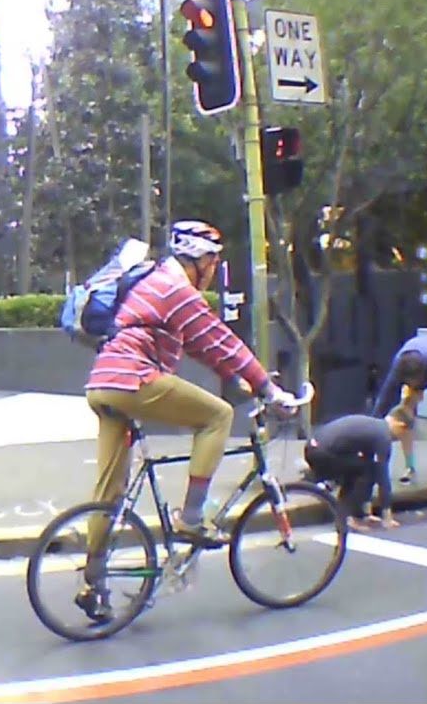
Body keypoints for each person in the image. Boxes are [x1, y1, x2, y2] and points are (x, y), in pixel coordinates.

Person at [77, 220, 297, 619]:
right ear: (199, 261)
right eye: (213, 261)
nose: (213, 270)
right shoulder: (177, 289)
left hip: (102, 385)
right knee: (218, 416)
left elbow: (204, 347)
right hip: (134, 380)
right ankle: (191, 519)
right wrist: (268, 389)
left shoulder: (157, 284)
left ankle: (93, 585)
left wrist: (239, 378)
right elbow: (223, 342)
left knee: (108, 494)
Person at [304, 407, 414, 532]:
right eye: (403, 434)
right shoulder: (383, 436)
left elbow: (370, 463)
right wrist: (386, 516)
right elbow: (382, 477)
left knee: (365, 467)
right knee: (365, 471)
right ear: (400, 426)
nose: (400, 439)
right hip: (322, 454)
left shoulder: (375, 427)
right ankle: (347, 517)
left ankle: (357, 513)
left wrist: (367, 513)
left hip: (313, 448)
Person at [370, 334, 427, 489]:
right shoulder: (398, 369)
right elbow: (383, 400)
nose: (413, 385)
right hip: (416, 358)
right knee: (405, 414)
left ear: (422, 375)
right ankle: (410, 467)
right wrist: (371, 425)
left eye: (414, 382)